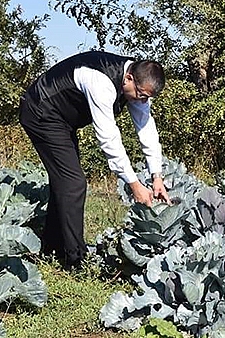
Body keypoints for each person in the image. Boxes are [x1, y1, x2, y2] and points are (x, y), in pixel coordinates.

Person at [19, 51, 171, 269]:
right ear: (128, 78)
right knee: (73, 183)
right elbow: (109, 139)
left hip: (61, 121)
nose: (142, 100)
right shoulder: (101, 82)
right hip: (41, 112)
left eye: (147, 98)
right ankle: (75, 261)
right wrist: (134, 184)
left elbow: (146, 129)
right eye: (140, 95)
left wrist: (157, 176)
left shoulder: (135, 84)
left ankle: (52, 248)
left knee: (65, 183)